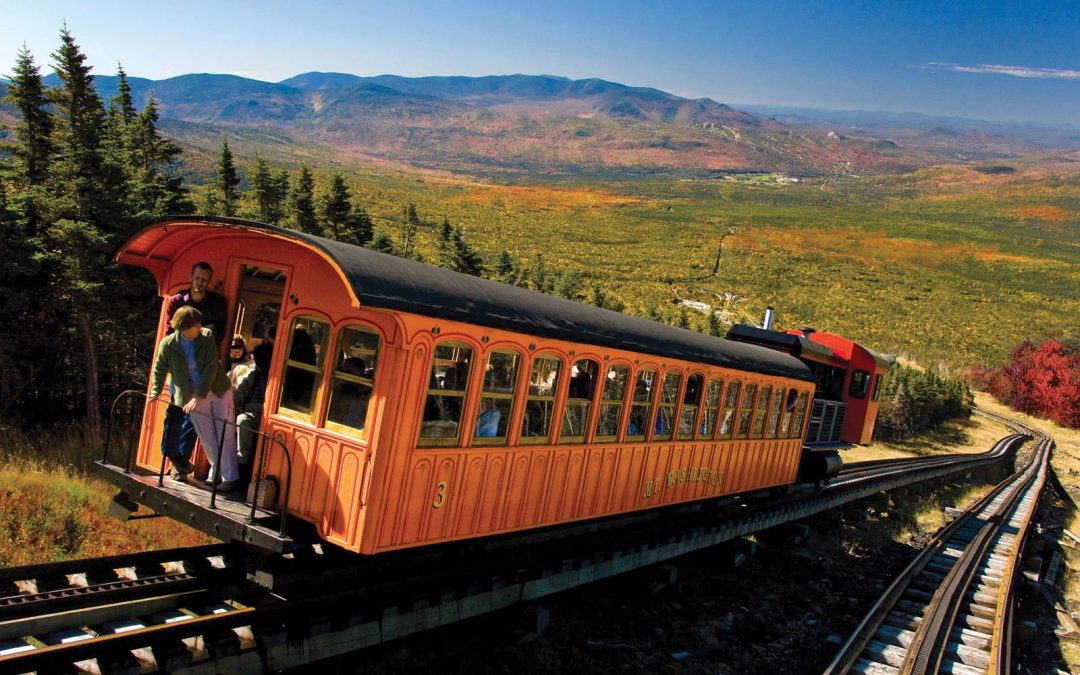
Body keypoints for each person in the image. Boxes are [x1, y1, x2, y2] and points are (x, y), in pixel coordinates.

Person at [150, 306, 240, 491]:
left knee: (225, 431)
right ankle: (216, 473)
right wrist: (156, 391)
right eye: (196, 324)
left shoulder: (206, 336)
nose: (200, 326)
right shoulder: (168, 344)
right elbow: (159, 368)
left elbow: (211, 367)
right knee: (207, 436)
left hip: (217, 390)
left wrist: (198, 396)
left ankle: (230, 478)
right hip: (191, 396)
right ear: (184, 326)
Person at [159, 261, 228, 476]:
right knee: (175, 413)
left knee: (192, 416)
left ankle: (180, 463)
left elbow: (219, 334)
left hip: (202, 371)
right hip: (180, 369)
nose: (200, 282)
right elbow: (169, 334)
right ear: (192, 276)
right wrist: (202, 331)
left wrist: (194, 334)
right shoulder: (176, 301)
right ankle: (174, 458)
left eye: (204, 279)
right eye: (197, 278)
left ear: (209, 281)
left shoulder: (217, 303)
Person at [235, 342, 272, 485]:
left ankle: (242, 465)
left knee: (243, 421)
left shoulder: (272, 377)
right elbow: (240, 393)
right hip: (250, 409)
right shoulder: (255, 374)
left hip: (261, 414)